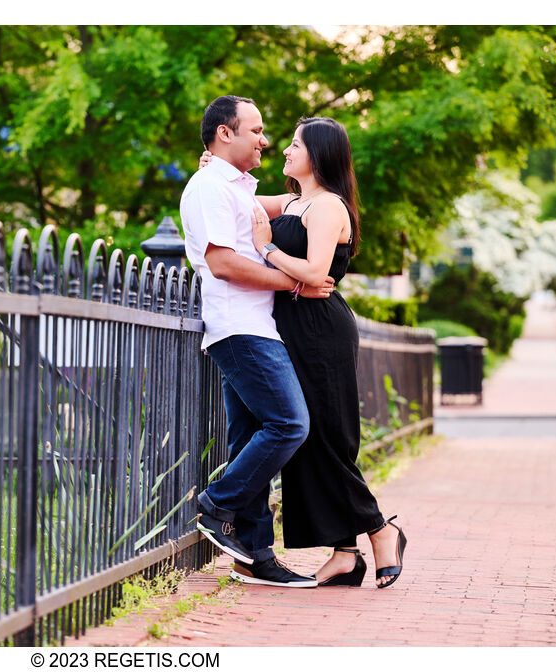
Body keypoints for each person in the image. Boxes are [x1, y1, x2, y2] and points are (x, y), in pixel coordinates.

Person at [200, 116, 407, 588]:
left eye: (295, 144)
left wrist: (266, 248)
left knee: (326, 438)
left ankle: (379, 531)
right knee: (309, 441)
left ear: (318, 153)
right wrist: (215, 166)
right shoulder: (293, 200)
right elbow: (240, 201)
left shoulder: (329, 205)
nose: (284, 150)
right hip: (292, 326)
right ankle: (346, 554)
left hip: (320, 330)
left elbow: (315, 273)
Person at [180, 95, 335, 588]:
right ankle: (215, 504)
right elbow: (222, 263)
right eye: (257, 130)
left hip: (254, 325)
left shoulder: (236, 187)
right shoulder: (209, 187)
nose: (265, 140)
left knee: (250, 438)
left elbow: (292, 207)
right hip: (239, 328)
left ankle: (254, 555)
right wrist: (295, 283)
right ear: (225, 134)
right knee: (290, 424)